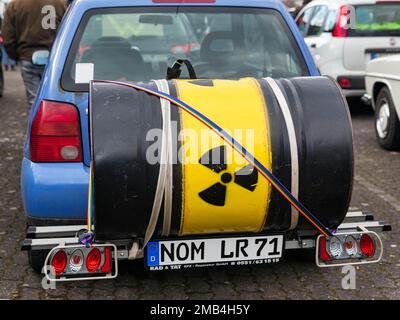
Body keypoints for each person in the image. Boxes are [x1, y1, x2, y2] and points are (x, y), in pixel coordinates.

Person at [2, 0, 67, 108]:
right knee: (58, 100)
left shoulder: (15, 4)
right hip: (56, 57)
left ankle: (37, 123)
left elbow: (7, 36)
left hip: (28, 56)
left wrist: (16, 56)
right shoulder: (60, 3)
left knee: (34, 102)